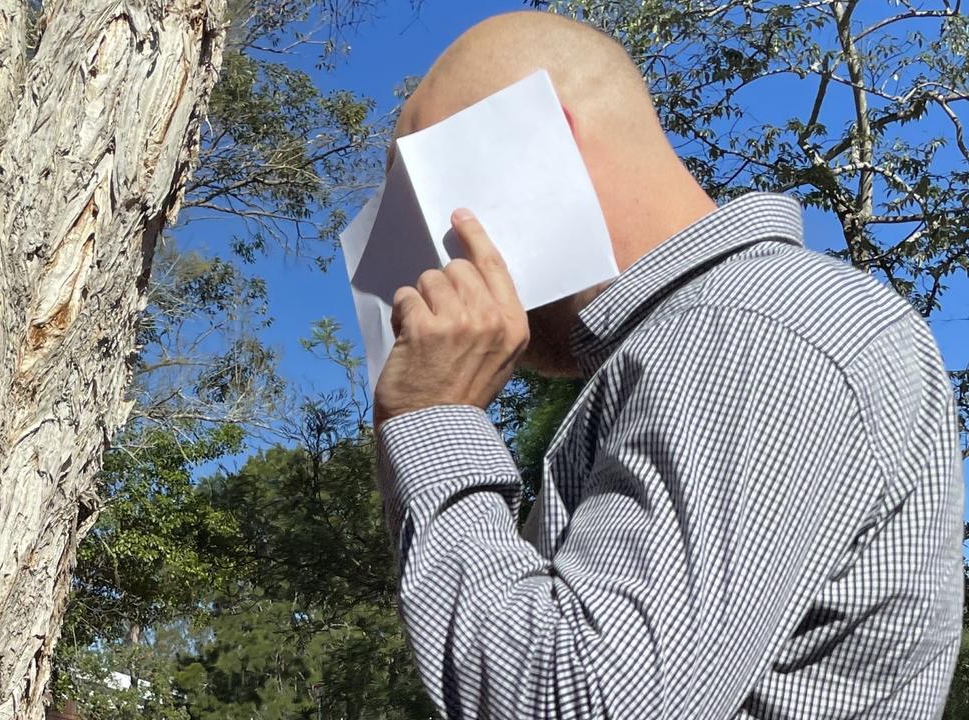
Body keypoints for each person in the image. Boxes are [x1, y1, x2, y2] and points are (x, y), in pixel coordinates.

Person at [372, 11, 964, 719]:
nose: (426, 271)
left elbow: (582, 702)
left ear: (542, 145)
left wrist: (431, 418)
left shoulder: (746, 326)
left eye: (433, 203)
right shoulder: (719, 333)